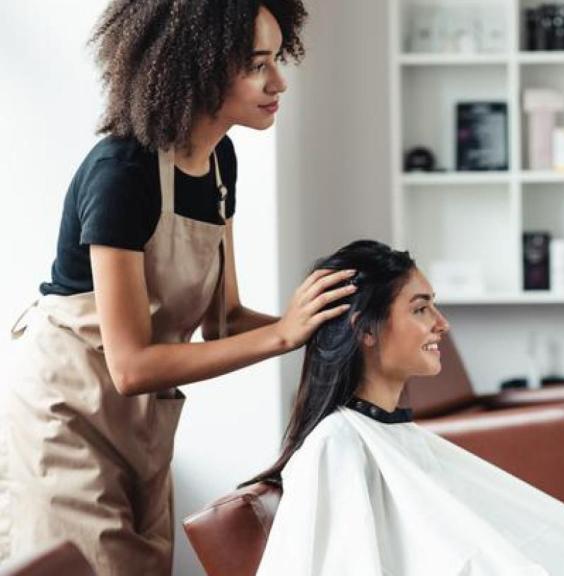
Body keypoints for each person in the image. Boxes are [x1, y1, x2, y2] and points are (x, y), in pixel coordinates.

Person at [0, 1, 353, 573]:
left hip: (139, 425)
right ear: (199, 65)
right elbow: (132, 365)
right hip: (64, 420)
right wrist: (286, 335)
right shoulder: (123, 173)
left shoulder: (218, 163)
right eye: (257, 64)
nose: (278, 81)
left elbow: (226, 319)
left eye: (276, 58)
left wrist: (330, 328)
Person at [246, 240, 564, 576]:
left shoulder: (390, 435)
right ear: (366, 331)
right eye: (420, 308)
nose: (441, 323)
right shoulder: (335, 445)